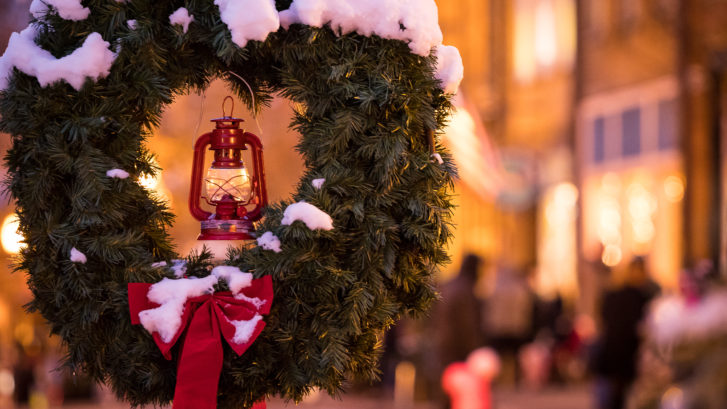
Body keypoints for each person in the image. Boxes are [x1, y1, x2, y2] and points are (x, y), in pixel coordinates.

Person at [591, 257, 659, 409]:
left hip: (622, 350)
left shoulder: (640, 294)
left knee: (618, 393)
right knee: (617, 392)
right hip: (621, 350)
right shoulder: (636, 295)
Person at [432, 254, 485, 406]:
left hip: (443, 342)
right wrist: (475, 349)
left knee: (445, 386)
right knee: (460, 392)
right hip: (458, 347)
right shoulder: (466, 290)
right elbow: (469, 325)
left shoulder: (448, 285)